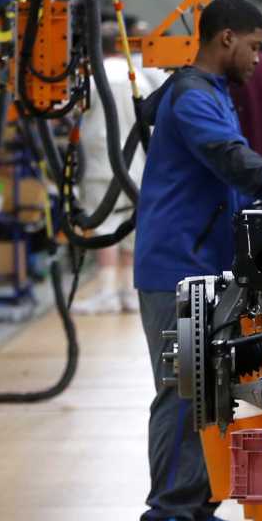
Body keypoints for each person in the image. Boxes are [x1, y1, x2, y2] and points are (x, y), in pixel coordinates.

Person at [133, 0, 262, 521]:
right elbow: (229, 159)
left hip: (204, 260)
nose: (257, 59)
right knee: (180, 388)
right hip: (175, 262)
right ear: (226, 38)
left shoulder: (214, 94)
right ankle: (165, 513)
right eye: (253, 46)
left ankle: (199, 508)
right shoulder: (193, 98)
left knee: (211, 388)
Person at [74, 30, 166, 315]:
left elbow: (73, 114)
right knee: (130, 227)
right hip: (136, 164)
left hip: (101, 165)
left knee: (104, 226)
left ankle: (106, 293)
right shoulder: (137, 76)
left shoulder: (92, 78)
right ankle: (128, 293)